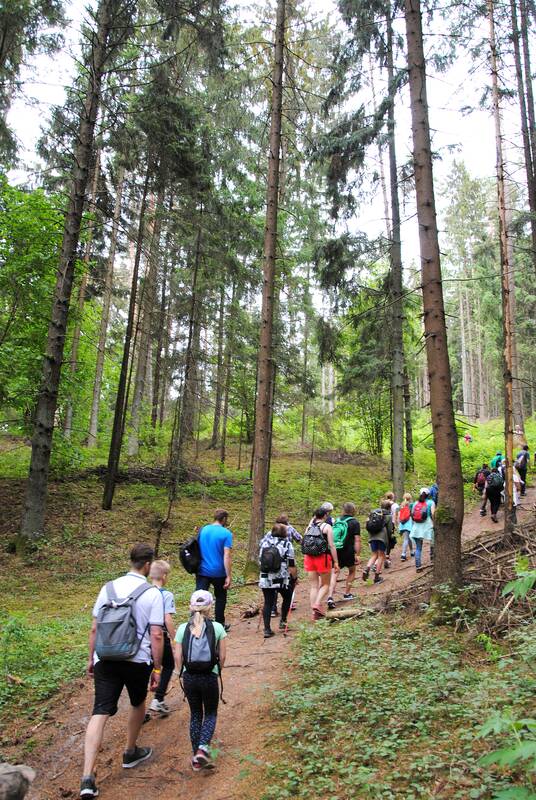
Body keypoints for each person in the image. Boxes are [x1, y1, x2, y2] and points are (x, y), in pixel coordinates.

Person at [80, 544, 164, 799]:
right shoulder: (152, 593)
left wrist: (91, 659)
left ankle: (87, 777)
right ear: (147, 565)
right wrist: (157, 668)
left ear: (131, 561)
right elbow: (156, 634)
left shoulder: (107, 588)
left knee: (100, 712)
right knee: (138, 702)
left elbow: (94, 628)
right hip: (137, 660)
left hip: (105, 658)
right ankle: (130, 751)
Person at [174, 590, 227, 771]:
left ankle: (196, 757)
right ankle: (202, 749)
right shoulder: (217, 628)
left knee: (196, 714)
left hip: (189, 677)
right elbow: (223, 656)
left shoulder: (182, 628)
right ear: (210, 606)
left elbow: (178, 656)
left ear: (191, 606)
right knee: (210, 713)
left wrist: (181, 672)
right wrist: (217, 671)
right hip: (209, 676)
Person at [196, 509, 233, 629]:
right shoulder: (226, 533)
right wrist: (228, 575)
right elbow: (226, 555)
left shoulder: (203, 530)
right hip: (219, 572)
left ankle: (197, 623)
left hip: (202, 570)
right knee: (220, 597)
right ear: (224, 519)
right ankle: (219, 624)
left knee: (199, 598)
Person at [148, 560, 176, 716]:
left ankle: (140, 709)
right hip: (160, 636)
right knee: (169, 664)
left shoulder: (143, 593)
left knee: (146, 668)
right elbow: (167, 619)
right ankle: (158, 699)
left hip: (144, 638)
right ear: (164, 576)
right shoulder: (166, 594)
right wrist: (175, 638)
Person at [259, 523, 297, 637]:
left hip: (266, 577)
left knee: (268, 602)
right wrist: (294, 577)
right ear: (284, 533)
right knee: (287, 597)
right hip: (281, 578)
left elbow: (260, 559)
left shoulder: (264, 543)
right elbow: (291, 564)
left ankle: (267, 629)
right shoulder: (287, 544)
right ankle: (283, 621)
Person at [302, 507, 339, 620]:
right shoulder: (327, 527)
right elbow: (331, 545)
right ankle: (317, 604)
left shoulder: (309, 527)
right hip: (323, 558)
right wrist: (336, 561)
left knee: (314, 586)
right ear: (325, 516)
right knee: (326, 584)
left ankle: (314, 613)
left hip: (309, 557)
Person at [327, 502, 361, 608]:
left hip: (336, 550)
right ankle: (347, 593)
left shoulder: (337, 520)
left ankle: (330, 596)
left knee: (335, 572)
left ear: (343, 510)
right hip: (349, 551)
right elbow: (357, 540)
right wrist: (358, 554)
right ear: (353, 510)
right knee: (352, 571)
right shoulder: (355, 522)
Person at [271, 514, 301, 616]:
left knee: (274, 584)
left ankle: (273, 608)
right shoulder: (290, 529)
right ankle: (289, 603)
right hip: (287, 559)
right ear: (287, 522)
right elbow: (299, 539)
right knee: (290, 581)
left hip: (273, 561)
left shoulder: (272, 530)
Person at [362, 501, 393, 585]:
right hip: (382, 538)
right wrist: (389, 538)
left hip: (372, 536)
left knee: (374, 555)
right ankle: (376, 577)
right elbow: (389, 529)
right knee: (381, 556)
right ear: (389, 508)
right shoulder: (388, 516)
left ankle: (367, 569)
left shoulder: (374, 513)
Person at [410, 488, 435, 573]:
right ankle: (433, 559)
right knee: (433, 542)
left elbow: (412, 515)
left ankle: (418, 566)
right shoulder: (431, 502)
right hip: (428, 526)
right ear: (428, 495)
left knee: (418, 548)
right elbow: (433, 514)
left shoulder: (415, 503)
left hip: (417, 527)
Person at [399, 492, 414, 561]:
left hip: (402, 523)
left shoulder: (401, 505)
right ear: (410, 498)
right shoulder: (411, 505)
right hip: (408, 523)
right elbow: (413, 514)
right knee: (406, 539)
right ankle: (403, 554)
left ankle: (412, 551)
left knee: (408, 538)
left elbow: (399, 514)